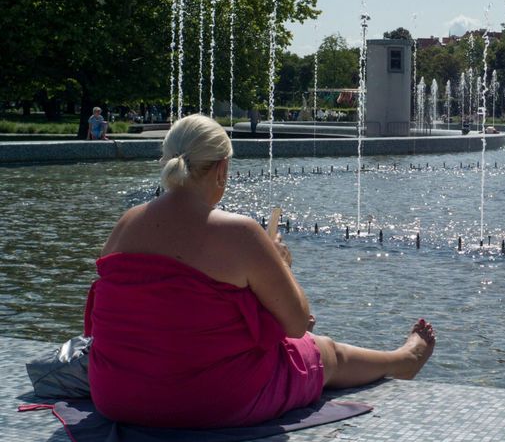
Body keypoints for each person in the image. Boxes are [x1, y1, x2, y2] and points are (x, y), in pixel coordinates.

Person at [84, 115, 435, 429]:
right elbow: (298, 323)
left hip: (116, 397)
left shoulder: (125, 224)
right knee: (318, 351)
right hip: (209, 402)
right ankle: (403, 360)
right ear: (222, 169)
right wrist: (281, 265)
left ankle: (400, 360)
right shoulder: (239, 232)